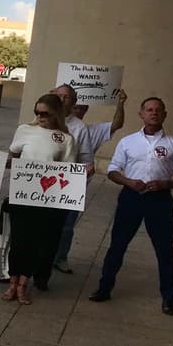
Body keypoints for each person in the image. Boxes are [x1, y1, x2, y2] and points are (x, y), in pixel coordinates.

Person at [89, 97, 173, 315]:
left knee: (165, 250)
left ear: (164, 114)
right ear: (141, 114)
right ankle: (104, 288)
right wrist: (129, 182)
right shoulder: (127, 142)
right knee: (117, 245)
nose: (153, 113)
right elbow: (113, 170)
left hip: (160, 201)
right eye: (149, 110)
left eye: (158, 110)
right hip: (131, 198)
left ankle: (169, 298)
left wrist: (167, 184)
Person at [4, 93, 77, 305]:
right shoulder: (24, 130)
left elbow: (68, 171)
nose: (40, 116)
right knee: (18, 241)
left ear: (56, 113)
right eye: (37, 112)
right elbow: (12, 156)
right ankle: (12, 282)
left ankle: (24, 284)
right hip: (22, 194)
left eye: (45, 113)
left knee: (36, 244)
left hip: (47, 199)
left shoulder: (66, 139)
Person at [52, 83, 125, 274]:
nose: (78, 111)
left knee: (67, 225)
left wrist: (121, 104)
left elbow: (116, 125)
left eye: (81, 107)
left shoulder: (85, 129)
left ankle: (60, 257)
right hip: (48, 181)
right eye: (59, 96)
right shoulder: (45, 121)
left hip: (72, 183)